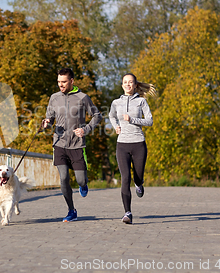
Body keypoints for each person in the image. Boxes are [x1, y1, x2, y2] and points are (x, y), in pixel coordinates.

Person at [42, 68, 102, 222]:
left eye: (63, 82)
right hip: (59, 143)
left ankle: (83, 184)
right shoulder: (54, 98)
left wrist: (86, 129)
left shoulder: (83, 97)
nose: (60, 85)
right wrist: (47, 124)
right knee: (63, 179)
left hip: (76, 144)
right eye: (58, 82)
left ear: (71, 81)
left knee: (80, 180)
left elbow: (97, 115)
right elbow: (49, 119)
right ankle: (71, 210)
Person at [109, 73, 155, 224]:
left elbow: (149, 121)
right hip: (122, 144)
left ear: (135, 85)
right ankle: (127, 213)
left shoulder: (141, 101)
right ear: (122, 85)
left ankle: (139, 183)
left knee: (137, 176)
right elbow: (111, 116)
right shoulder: (116, 102)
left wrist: (132, 119)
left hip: (138, 143)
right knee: (125, 178)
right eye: (125, 82)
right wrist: (116, 126)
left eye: (130, 82)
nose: (128, 84)